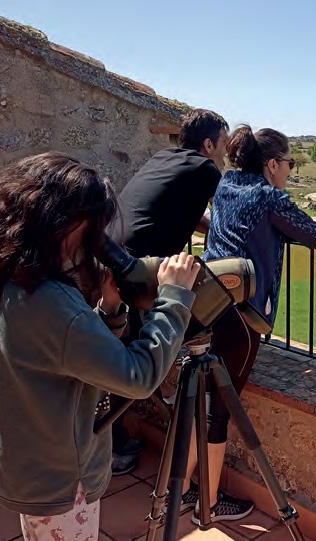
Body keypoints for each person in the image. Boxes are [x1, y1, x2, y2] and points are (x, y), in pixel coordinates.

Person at [0, 152, 201, 540]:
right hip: (60, 478)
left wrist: (109, 311)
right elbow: (138, 377)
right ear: (69, 225)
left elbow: (68, 351)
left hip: (28, 461)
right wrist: (174, 297)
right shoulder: (54, 304)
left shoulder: (15, 276)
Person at [186, 124, 316, 524]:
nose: (289, 169)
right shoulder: (270, 196)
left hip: (207, 301)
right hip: (241, 314)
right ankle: (209, 504)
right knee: (219, 411)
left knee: (200, 402)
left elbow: (260, 229)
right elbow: (315, 230)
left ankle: (179, 489)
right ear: (272, 164)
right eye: (289, 163)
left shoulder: (227, 185)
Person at [112, 108, 228, 475]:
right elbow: (233, 209)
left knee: (118, 351)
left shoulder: (164, 158)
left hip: (112, 260)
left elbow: (176, 210)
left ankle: (116, 438)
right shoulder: (206, 168)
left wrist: (208, 225)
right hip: (140, 270)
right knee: (135, 365)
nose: (224, 153)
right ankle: (123, 440)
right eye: (223, 145)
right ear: (208, 144)